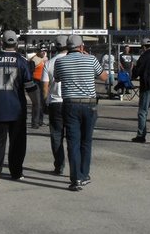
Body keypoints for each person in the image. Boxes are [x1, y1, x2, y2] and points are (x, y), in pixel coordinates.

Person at [53, 34, 108, 191]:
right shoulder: (90, 59)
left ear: (67, 47)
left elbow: (57, 79)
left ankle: (75, 178)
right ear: (82, 46)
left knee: (73, 142)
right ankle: (84, 174)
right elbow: (104, 77)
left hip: (70, 104)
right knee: (86, 141)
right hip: (89, 104)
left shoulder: (60, 61)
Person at [0, 30, 34, 182]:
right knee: (17, 142)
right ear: (16, 43)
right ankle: (16, 172)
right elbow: (30, 87)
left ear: (1, 42)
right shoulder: (22, 61)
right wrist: (37, 104)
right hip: (17, 109)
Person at [41, 35, 70, 175]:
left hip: (55, 102)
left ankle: (59, 165)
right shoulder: (73, 61)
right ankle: (75, 166)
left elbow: (45, 86)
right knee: (72, 135)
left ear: (56, 47)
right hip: (70, 102)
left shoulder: (49, 63)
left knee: (57, 135)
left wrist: (45, 101)